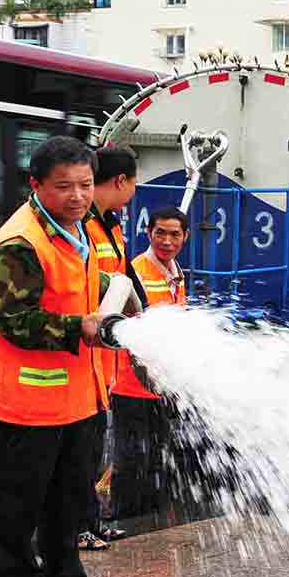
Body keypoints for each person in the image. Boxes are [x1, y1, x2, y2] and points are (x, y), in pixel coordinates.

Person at [0, 135, 120, 577]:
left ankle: (65, 575)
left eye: (85, 185)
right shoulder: (19, 244)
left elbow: (78, 284)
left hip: (78, 394)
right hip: (28, 397)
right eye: (64, 187)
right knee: (20, 497)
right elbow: (16, 321)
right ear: (36, 185)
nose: (78, 196)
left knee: (70, 494)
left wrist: (113, 294)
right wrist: (80, 326)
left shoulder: (75, 230)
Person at [77, 144, 139, 550]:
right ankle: (77, 528)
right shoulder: (81, 224)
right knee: (79, 454)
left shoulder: (110, 225)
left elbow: (121, 276)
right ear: (120, 181)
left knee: (94, 447)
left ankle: (92, 522)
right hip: (81, 353)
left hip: (103, 360)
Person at [112, 206, 188, 522]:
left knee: (157, 458)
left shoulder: (177, 275)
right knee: (131, 460)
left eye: (174, 234)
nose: (166, 241)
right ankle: (126, 523)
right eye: (160, 233)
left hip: (163, 388)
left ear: (185, 237)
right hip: (132, 387)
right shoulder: (136, 272)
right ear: (149, 233)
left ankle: (149, 523)